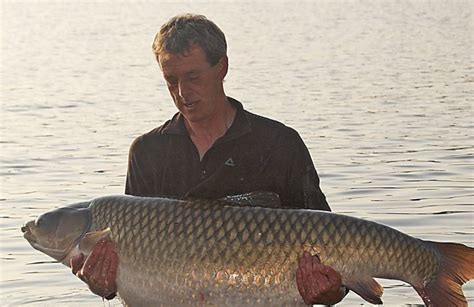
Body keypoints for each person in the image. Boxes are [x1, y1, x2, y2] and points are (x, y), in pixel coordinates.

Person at [71, 13, 347, 305]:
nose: (182, 93)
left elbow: (332, 252)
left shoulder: (279, 143)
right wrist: (103, 284)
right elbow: (129, 269)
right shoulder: (147, 152)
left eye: (193, 77)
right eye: (171, 80)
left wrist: (332, 290)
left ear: (222, 67)